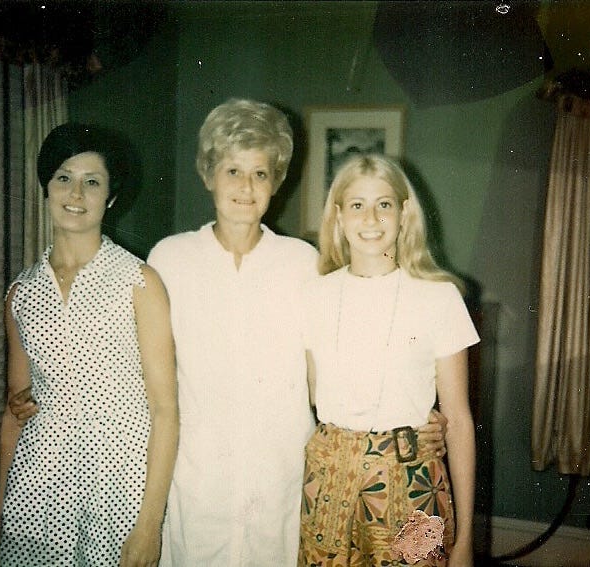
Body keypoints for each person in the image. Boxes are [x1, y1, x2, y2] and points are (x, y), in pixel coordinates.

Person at [145, 99, 448, 566]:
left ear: (277, 183)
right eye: (233, 171)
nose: (246, 188)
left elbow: (354, 345)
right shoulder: (169, 259)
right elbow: (142, 369)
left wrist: (412, 416)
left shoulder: (303, 264)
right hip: (199, 478)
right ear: (208, 175)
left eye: (261, 174)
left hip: (284, 477)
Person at [0, 123, 178, 567]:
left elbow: (165, 410)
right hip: (40, 482)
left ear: (110, 198)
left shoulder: (140, 282)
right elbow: (15, 410)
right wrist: (0, 524)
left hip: (121, 481)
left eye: (92, 182)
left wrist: (150, 525)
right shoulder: (21, 293)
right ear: (46, 187)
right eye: (63, 177)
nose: (75, 194)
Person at [299, 154, 478, 567]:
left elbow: (460, 419)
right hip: (328, 488)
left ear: (404, 213)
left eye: (384, 204)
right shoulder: (313, 297)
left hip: (413, 486)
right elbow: (309, 395)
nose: (371, 218)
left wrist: (465, 538)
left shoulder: (439, 298)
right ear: (339, 217)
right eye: (357, 205)